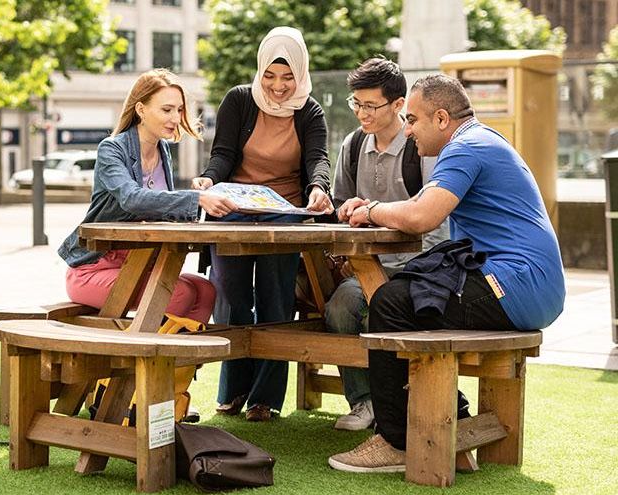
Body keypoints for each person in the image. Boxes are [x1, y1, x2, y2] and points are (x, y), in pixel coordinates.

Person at [328, 74, 565, 472]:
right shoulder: (483, 140)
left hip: (513, 286)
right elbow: (423, 203)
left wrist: (369, 211)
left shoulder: (466, 147)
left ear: (441, 118)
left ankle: (395, 442)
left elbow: (421, 215)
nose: (408, 130)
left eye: (413, 121)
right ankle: (453, 419)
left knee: (389, 303)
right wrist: (376, 208)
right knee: (412, 299)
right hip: (529, 286)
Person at [191, 27, 333, 422]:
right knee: (232, 298)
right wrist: (208, 178)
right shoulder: (239, 99)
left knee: (275, 301)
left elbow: (317, 159)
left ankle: (265, 397)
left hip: (284, 212)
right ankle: (233, 389)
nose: (278, 86)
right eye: (270, 75)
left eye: (288, 77)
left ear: (301, 73)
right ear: (259, 70)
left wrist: (319, 188)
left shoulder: (310, 110)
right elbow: (222, 153)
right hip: (233, 208)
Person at [58, 68, 237, 326]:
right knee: (180, 294)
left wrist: (200, 195)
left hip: (141, 264)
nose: (176, 117)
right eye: (167, 110)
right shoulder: (112, 149)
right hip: (95, 268)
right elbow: (132, 199)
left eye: (179, 110)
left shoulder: (162, 150)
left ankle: (181, 367)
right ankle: (151, 361)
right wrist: (194, 199)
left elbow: (159, 207)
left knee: (206, 289)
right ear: (141, 110)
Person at [325, 57, 448, 431]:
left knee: (385, 307)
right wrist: (342, 215)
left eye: (371, 105)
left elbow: (436, 225)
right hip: (366, 265)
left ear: (398, 105)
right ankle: (364, 402)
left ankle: (404, 401)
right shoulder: (352, 145)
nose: (362, 113)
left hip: (418, 266)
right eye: (356, 104)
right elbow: (340, 207)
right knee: (341, 306)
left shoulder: (420, 148)